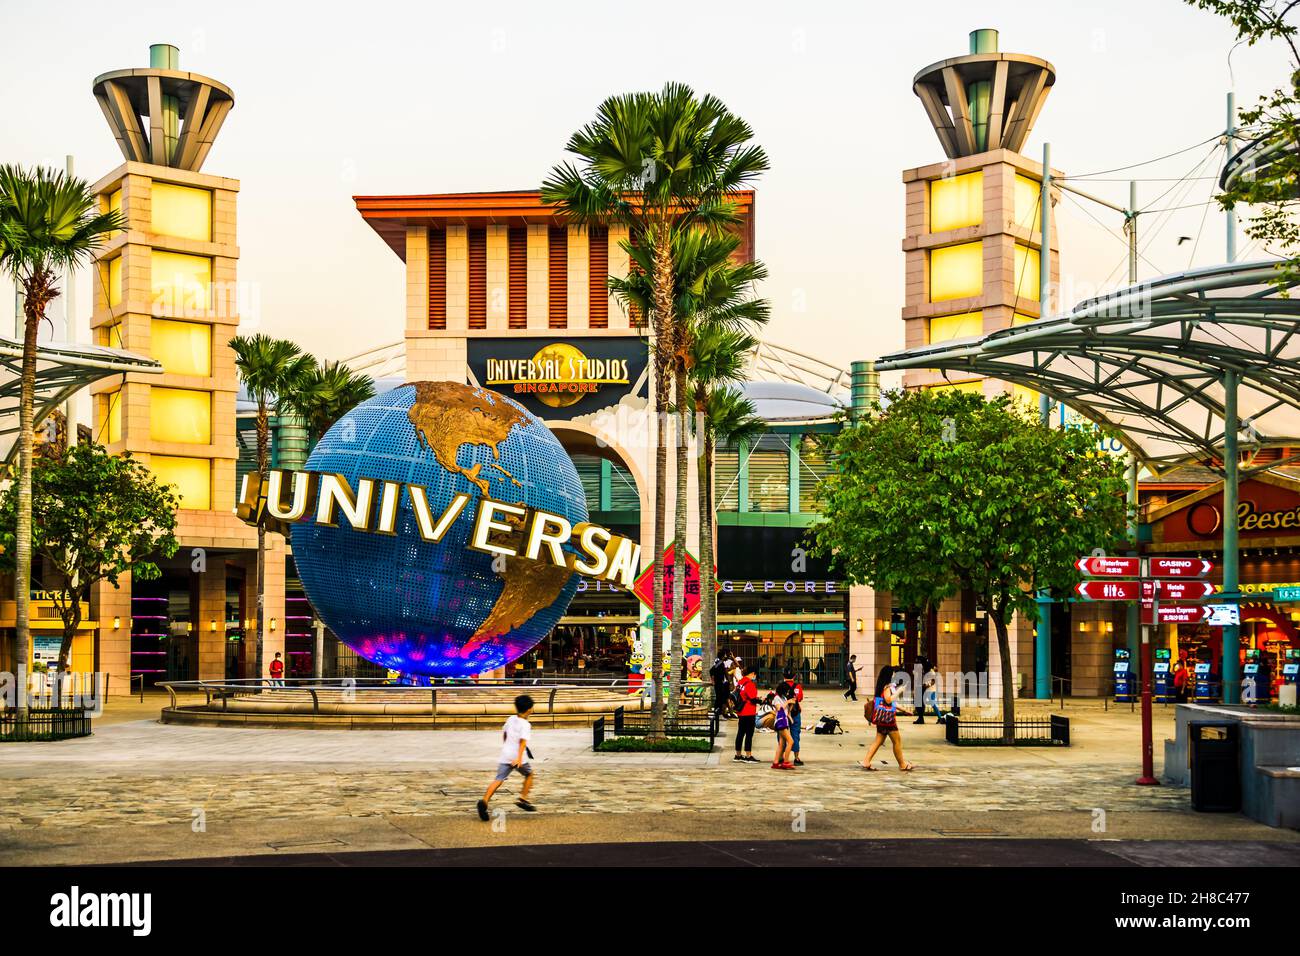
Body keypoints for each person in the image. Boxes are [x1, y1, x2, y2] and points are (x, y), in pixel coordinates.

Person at [478, 694, 538, 820]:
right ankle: (523, 798)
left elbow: (504, 734)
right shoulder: (526, 724)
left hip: (506, 754)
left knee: (498, 779)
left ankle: (484, 801)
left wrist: (506, 746)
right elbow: (522, 742)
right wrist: (519, 758)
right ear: (528, 709)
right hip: (517, 756)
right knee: (529, 774)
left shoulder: (510, 719)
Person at [861, 666, 915, 772]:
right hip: (888, 720)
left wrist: (904, 710)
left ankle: (866, 761)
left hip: (881, 718)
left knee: (878, 740)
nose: (894, 675)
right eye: (893, 674)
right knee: (897, 741)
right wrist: (899, 691)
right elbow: (889, 700)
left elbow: (888, 702)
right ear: (889, 675)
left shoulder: (881, 686)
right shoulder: (887, 687)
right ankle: (902, 764)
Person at [733, 663, 760, 762]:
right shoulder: (749, 684)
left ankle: (738, 755)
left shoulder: (741, 682)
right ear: (752, 673)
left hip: (741, 712)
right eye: (755, 674)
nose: (755, 676)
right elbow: (753, 699)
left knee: (740, 733)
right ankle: (748, 756)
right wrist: (760, 700)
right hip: (749, 712)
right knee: (749, 734)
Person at [770, 680, 795, 769]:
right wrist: (788, 702)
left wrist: (791, 703)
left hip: (784, 721)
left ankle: (776, 762)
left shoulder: (783, 698)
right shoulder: (776, 698)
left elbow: (786, 711)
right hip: (781, 721)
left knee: (781, 744)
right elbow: (779, 708)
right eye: (787, 690)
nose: (788, 692)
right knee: (791, 742)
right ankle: (786, 761)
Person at [785, 668, 805, 766]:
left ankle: (781, 757)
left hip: (783, 715)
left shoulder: (780, 687)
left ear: (783, 676)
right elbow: (800, 698)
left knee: (782, 735)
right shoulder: (797, 686)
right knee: (795, 734)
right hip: (795, 713)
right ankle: (796, 758)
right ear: (794, 676)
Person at [709, 652, 731, 719]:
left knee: (721, 699)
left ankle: (719, 713)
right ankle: (717, 714)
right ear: (722, 656)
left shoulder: (721, 663)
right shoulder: (719, 663)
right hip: (718, 683)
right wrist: (713, 680)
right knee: (719, 698)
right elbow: (711, 670)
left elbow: (725, 673)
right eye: (725, 655)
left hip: (721, 683)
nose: (726, 656)